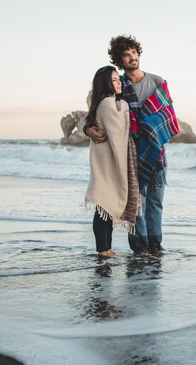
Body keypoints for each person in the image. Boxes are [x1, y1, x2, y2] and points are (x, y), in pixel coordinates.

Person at [85, 35, 179, 256]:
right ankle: (140, 247)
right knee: (138, 203)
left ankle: (156, 245)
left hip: (157, 153)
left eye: (133, 53)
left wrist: (148, 125)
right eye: (126, 55)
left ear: (138, 53)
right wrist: (87, 127)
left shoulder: (157, 82)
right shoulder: (116, 83)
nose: (132, 58)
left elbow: (168, 115)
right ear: (119, 60)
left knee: (156, 203)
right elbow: (95, 105)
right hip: (131, 153)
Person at [85, 66, 140, 257]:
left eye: (119, 79)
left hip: (105, 162)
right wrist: (124, 106)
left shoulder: (102, 102)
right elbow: (117, 131)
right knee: (103, 206)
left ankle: (106, 248)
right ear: (105, 84)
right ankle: (103, 249)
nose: (119, 83)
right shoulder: (110, 104)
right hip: (106, 163)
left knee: (105, 207)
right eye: (114, 80)